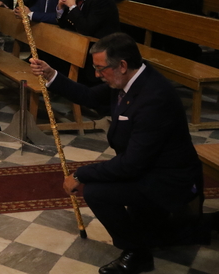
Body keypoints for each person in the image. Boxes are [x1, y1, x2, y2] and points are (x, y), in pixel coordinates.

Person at [30, 33, 210, 274]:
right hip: (149, 168)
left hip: (170, 179)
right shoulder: (130, 80)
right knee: (139, 215)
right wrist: (51, 75)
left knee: (96, 191)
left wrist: (82, 174)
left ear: (122, 65)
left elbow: (131, 165)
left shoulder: (153, 98)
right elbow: (90, 96)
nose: (97, 75)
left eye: (100, 69)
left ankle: (137, 254)